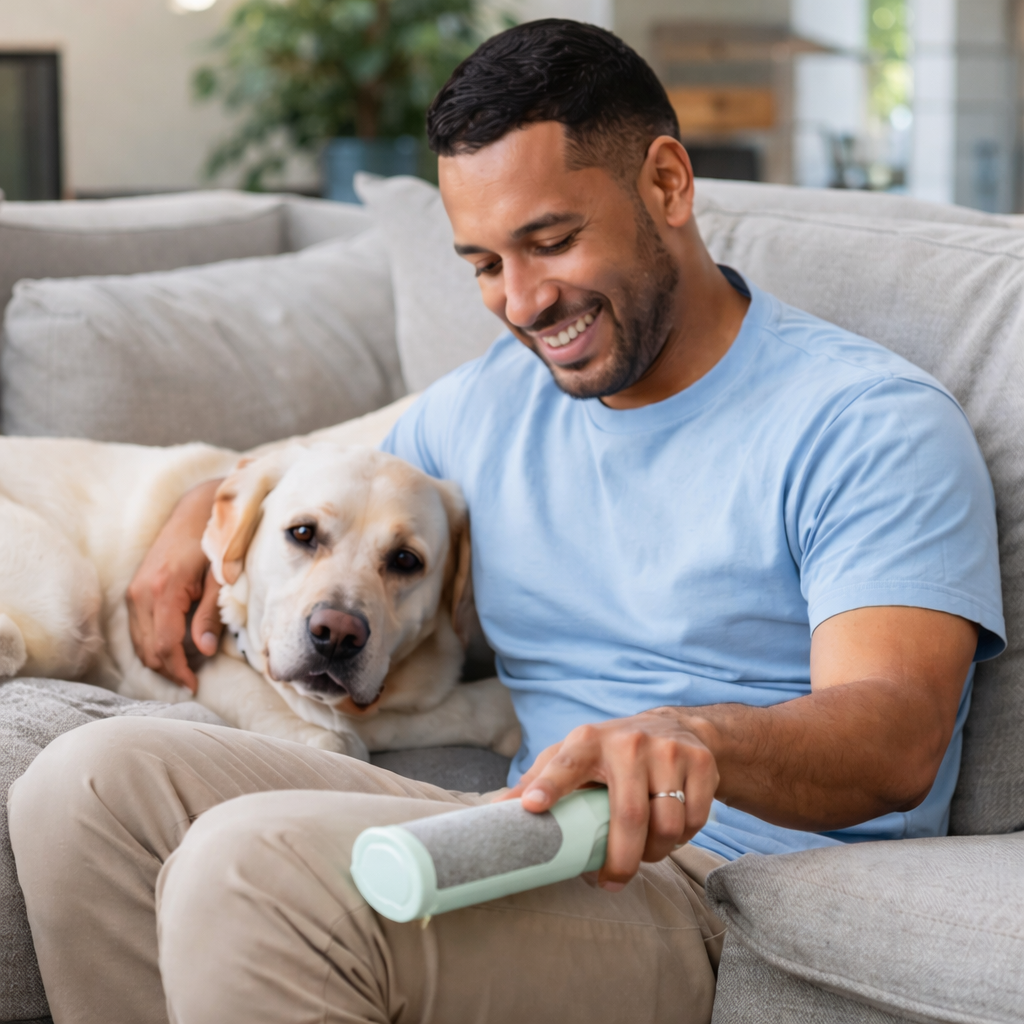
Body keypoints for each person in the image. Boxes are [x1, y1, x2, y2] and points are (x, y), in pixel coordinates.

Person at [8, 19, 1003, 1024]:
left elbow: (896, 738)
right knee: (79, 787)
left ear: (666, 184)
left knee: (243, 866)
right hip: (514, 828)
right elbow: (328, 475)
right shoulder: (488, 406)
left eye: (550, 240)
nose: (522, 302)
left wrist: (693, 736)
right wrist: (201, 504)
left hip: (709, 882)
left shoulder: (866, 424)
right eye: (483, 263)